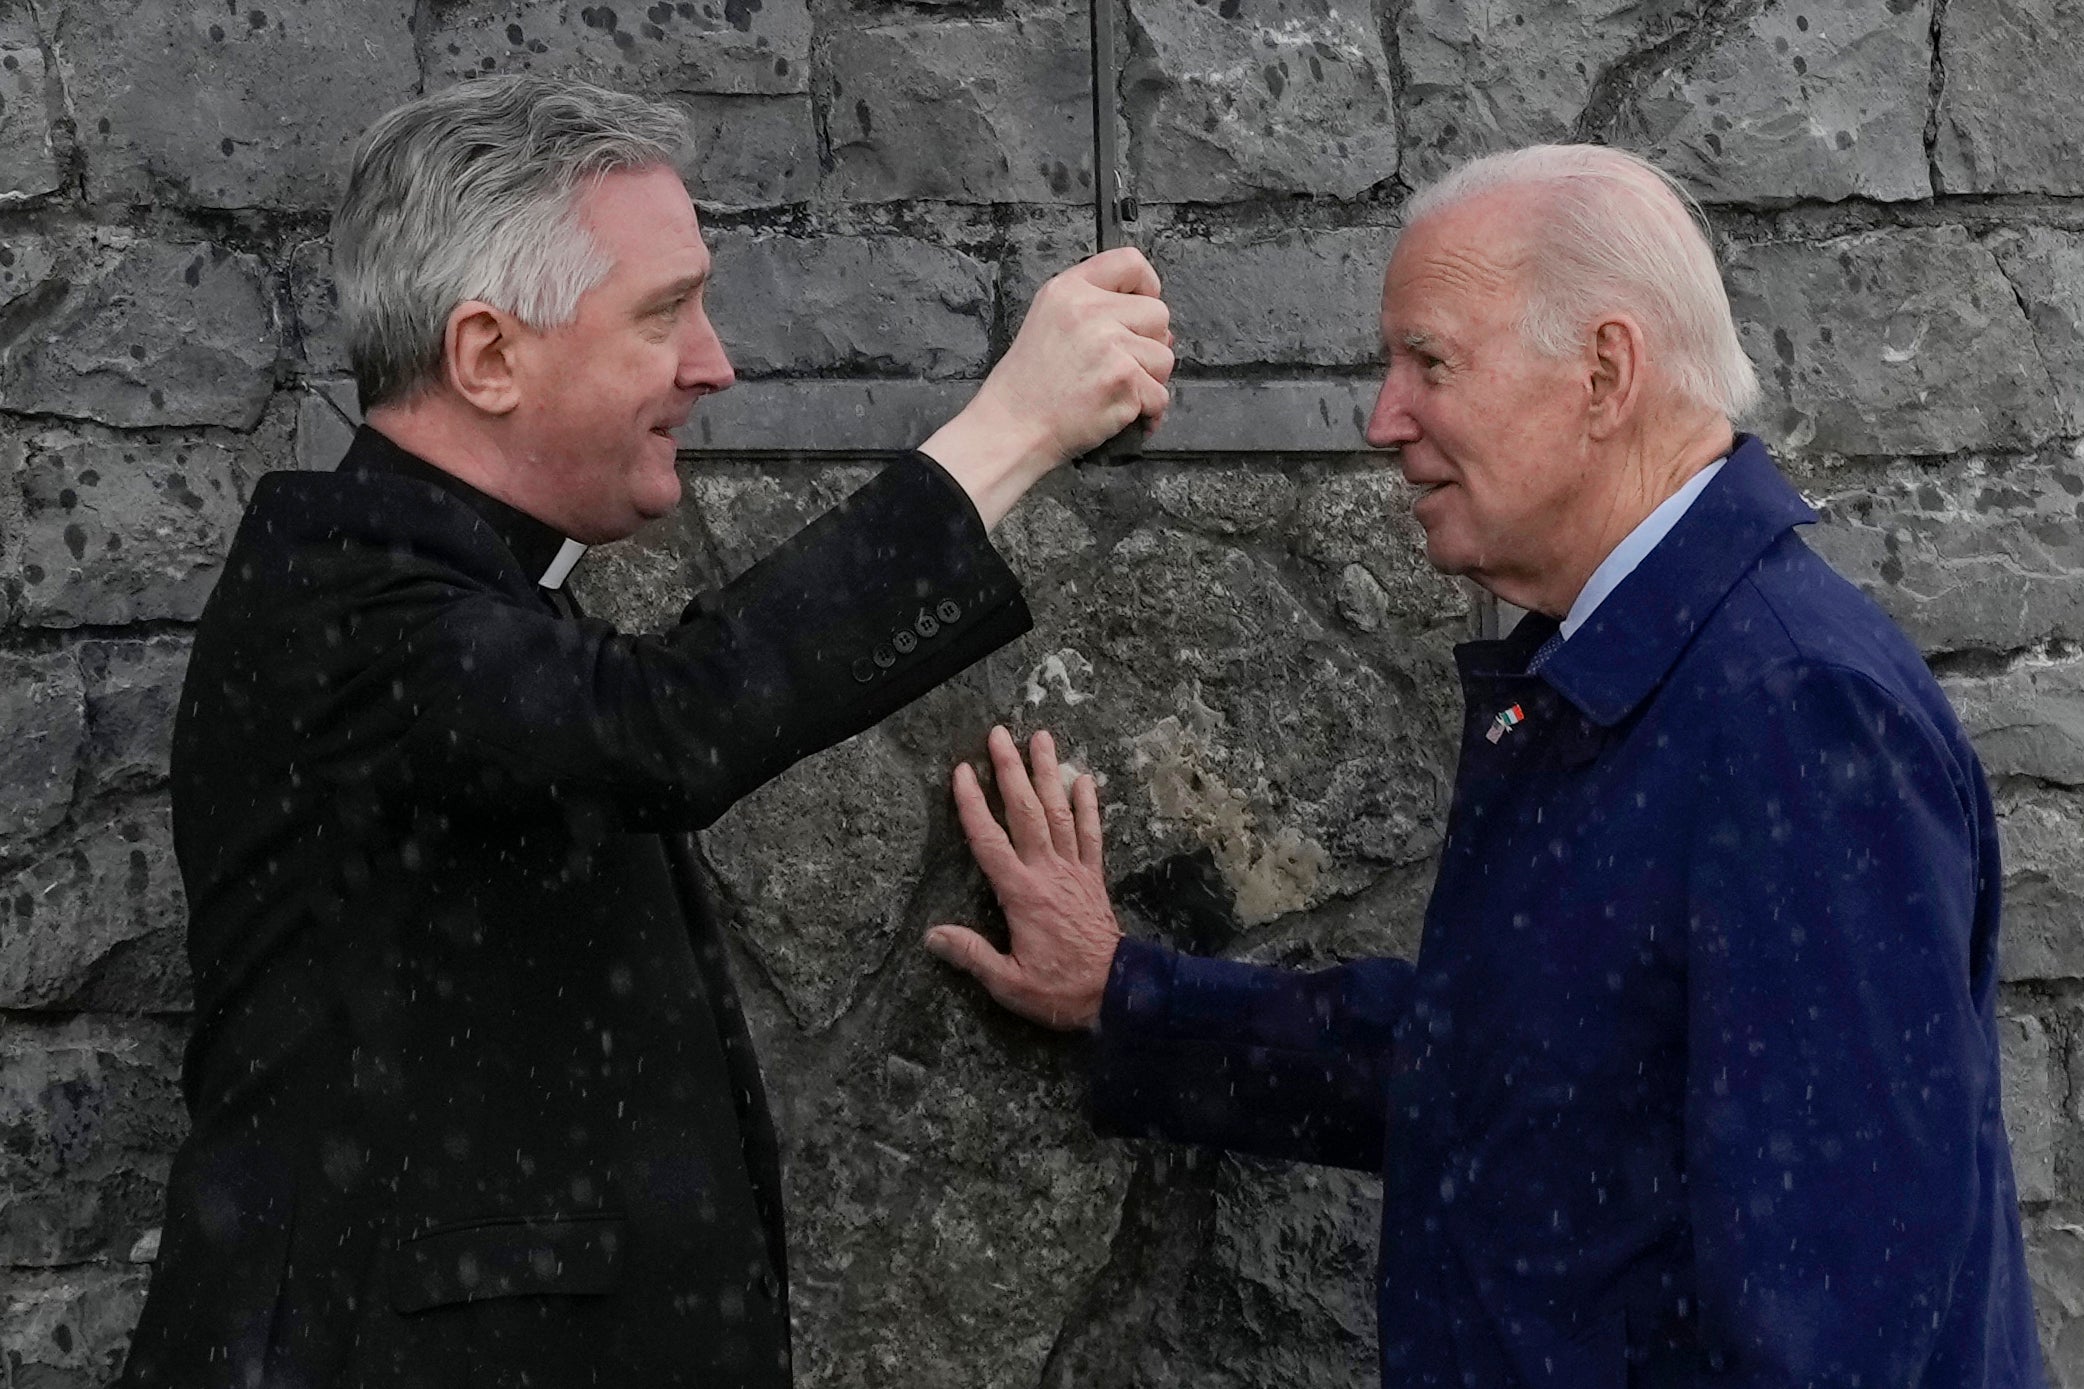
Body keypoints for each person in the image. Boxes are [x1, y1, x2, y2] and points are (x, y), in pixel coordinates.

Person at [926, 144, 2046, 1387]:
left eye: (1430, 362)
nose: (1381, 418)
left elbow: (1840, 1306)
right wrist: (1122, 997)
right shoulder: (1633, 662)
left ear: (1603, 373)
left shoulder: (1792, 709)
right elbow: (1501, 1065)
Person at [120, 74, 1171, 1389]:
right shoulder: (340, 596)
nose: (714, 362)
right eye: (665, 312)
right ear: (489, 354)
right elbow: (663, 726)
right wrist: (1011, 430)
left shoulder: (445, 588)